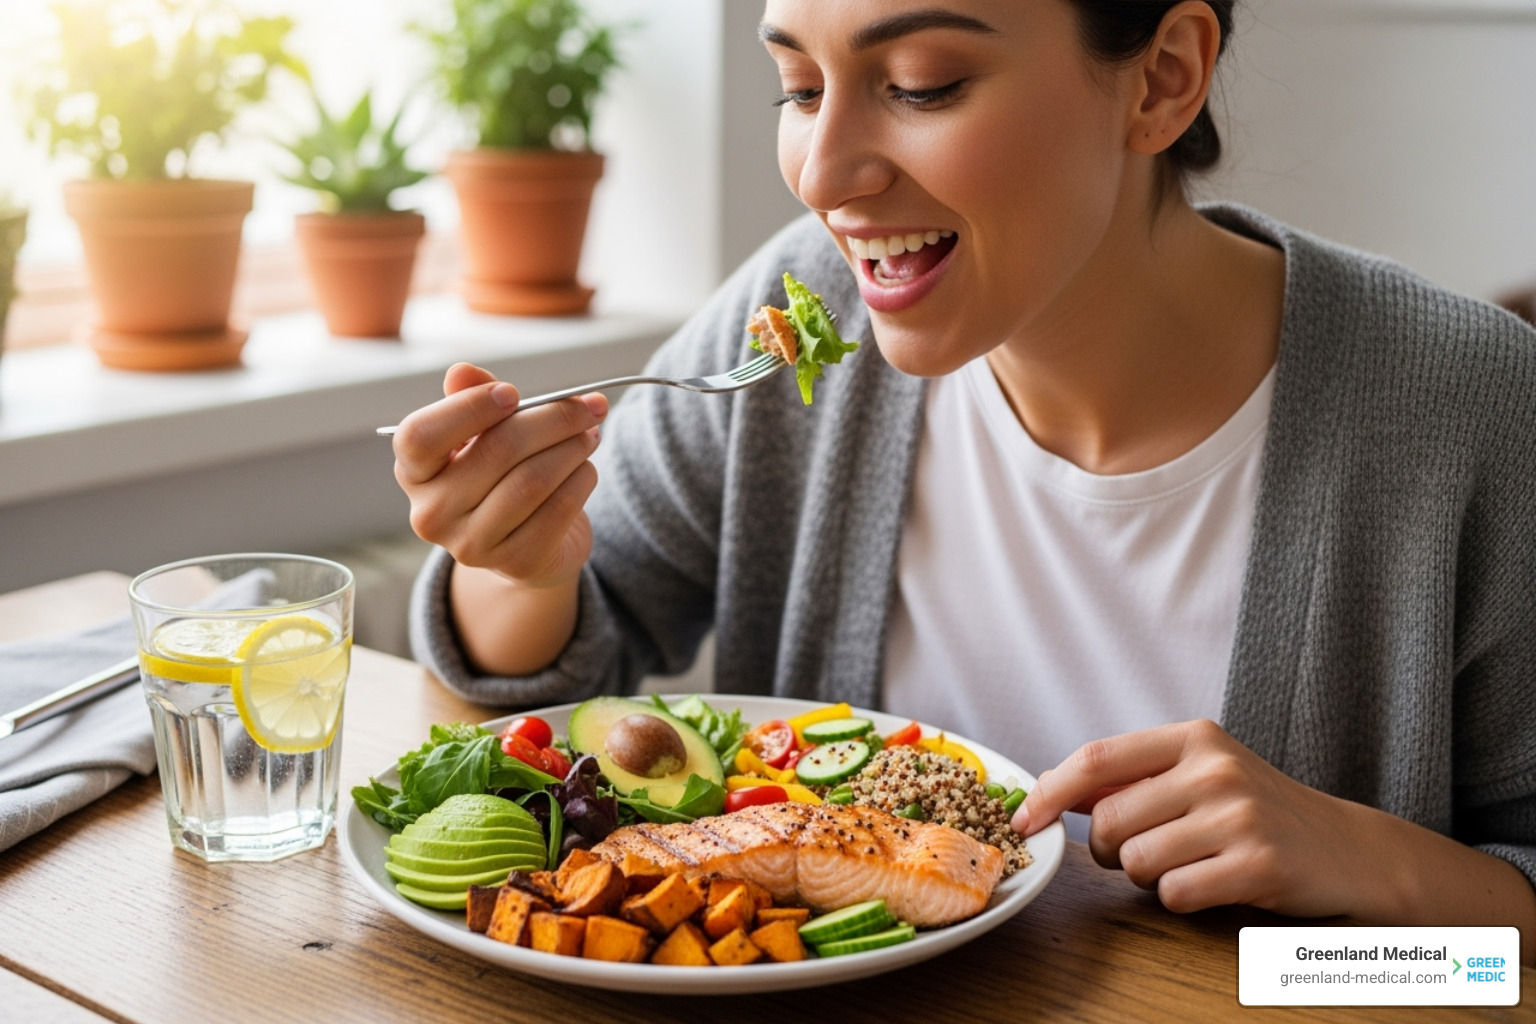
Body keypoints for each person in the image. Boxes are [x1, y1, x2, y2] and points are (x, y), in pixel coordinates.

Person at [393, 1, 1536, 959]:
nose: (824, 174)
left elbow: (1495, 954)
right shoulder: (805, 319)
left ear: (1162, 78)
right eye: (798, 88)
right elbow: (556, 660)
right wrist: (517, 561)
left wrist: (1381, 873)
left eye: (924, 84)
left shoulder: (1472, 412)